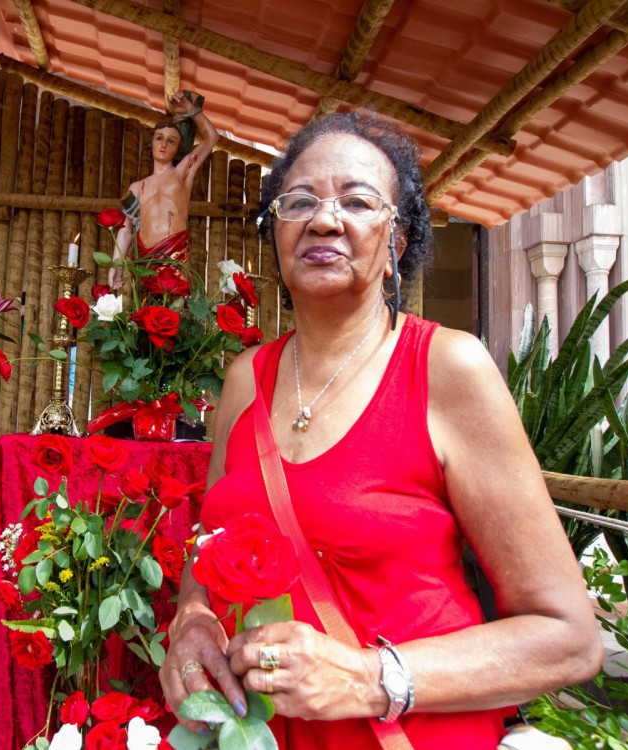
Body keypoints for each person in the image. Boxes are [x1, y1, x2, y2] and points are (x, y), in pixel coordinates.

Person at [159, 112, 602, 749]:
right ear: (277, 228)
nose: (324, 219)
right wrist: (193, 616)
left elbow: (569, 638)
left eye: (358, 201)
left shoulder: (447, 368)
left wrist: (370, 677)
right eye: (300, 201)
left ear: (396, 242)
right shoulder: (244, 380)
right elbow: (214, 538)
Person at [106, 91, 218, 290]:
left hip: (174, 255)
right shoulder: (136, 187)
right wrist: (117, 264)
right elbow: (126, 230)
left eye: (171, 141)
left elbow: (211, 138)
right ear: (151, 144)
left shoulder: (182, 173)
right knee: (144, 316)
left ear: (178, 148)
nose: (164, 144)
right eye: (159, 138)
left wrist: (192, 111)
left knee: (175, 315)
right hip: (144, 260)